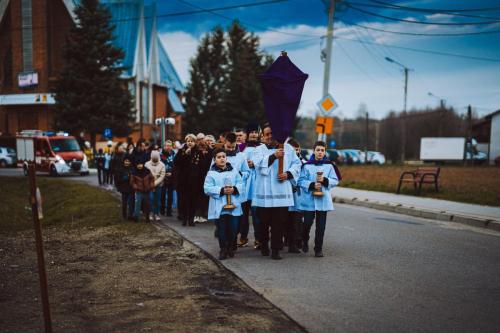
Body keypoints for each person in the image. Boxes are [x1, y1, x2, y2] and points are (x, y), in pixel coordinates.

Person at [252, 124, 301, 260]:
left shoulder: (288, 148)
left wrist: (288, 174)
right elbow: (258, 165)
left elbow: (297, 164)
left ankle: (276, 249)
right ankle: (264, 245)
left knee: (278, 223)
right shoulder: (259, 150)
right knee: (263, 223)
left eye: (271, 134)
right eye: (266, 134)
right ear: (263, 136)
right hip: (264, 193)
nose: (269, 137)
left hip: (281, 191)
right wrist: (273, 156)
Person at [298, 141, 339, 257]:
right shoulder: (307, 166)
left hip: (323, 200)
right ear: (314, 151)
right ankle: (304, 239)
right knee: (306, 224)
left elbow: (335, 180)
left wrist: (326, 181)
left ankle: (318, 249)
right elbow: (300, 180)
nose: (320, 152)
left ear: (325, 152)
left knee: (321, 226)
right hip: (309, 200)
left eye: (322, 150)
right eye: (318, 150)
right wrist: (311, 185)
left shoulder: (329, 166)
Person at [204, 148, 245, 260]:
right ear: (214, 160)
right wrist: (221, 190)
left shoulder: (234, 171)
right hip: (219, 205)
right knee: (221, 229)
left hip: (233, 205)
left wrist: (234, 189)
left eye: (223, 157)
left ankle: (231, 246)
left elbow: (241, 183)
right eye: (219, 157)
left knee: (233, 229)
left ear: (226, 158)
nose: (222, 159)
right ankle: (223, 249)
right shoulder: (211, 173)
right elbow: (207, 188)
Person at [237, 123, 262, 249]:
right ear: (247, 134)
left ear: (258, 134)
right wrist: (245, 165)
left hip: (257, 184)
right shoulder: (241, 147)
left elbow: (265, 162)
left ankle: (258, 238)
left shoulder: (262, 147)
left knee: (257, 214)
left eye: (255, 132)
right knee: (243, 213)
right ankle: (243, 237)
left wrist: (255, 164)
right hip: (244, 183)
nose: (253, 134)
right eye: (251, 132)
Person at [173, 134, 206, 226]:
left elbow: (202, 166)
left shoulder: (199, 152)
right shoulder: (181, 151)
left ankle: (191, 219)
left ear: (195, 142)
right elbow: (176, 162)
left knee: (193, 200)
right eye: (188, 141)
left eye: (191, 141)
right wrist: (185, 155)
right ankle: (184, 218)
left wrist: (201, 178)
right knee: (184, 200)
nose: (190, 143)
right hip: (184, 180)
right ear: (186, 142)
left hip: (195, 180)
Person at [285, 138, 305, 253]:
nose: (295, 152)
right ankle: (286, 239)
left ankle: (295, 242)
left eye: (297, 150)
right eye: (293, 150)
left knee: (297, 220)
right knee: (286, 220)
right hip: (287, 194)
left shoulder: (304, 163)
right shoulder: (285, 162)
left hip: (298, 195)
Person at [145, 150, 166, 221]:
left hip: (158, 185)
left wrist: (154, 184)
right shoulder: (147, 164)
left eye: (156, 158)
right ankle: (150, 213)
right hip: (149, 185)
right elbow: (145, 175)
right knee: (150, 199)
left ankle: (156, 214)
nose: (154, 160)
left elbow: (162, 176)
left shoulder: (162, 165)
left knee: (157, 200)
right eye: (153, 158)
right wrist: (150, 184)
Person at [115, 155, 135, 220]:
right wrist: (126, 177)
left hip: (131, 188)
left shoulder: (132, 169)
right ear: (123, 161)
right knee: (124, 203)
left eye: (128, 161)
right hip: (123, 188)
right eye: (126, 161)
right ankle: (124, 215)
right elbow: (118, 179)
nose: (127, 163)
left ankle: (130, 215)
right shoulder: (121, 169)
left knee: (131, 202)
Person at [160, 140, 176, 216]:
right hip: (163, 177)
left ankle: (169, 211)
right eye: (167, 145)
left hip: (171, 177)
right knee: (162, 194)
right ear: (164, 146)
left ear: (172, 146)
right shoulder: (160, 154)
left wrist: (172, 173)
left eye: (169, 146)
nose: (168, 147)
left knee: (170, 195)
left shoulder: (174, 154)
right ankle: (162, 209)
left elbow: (176, 166)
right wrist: (164, 173)